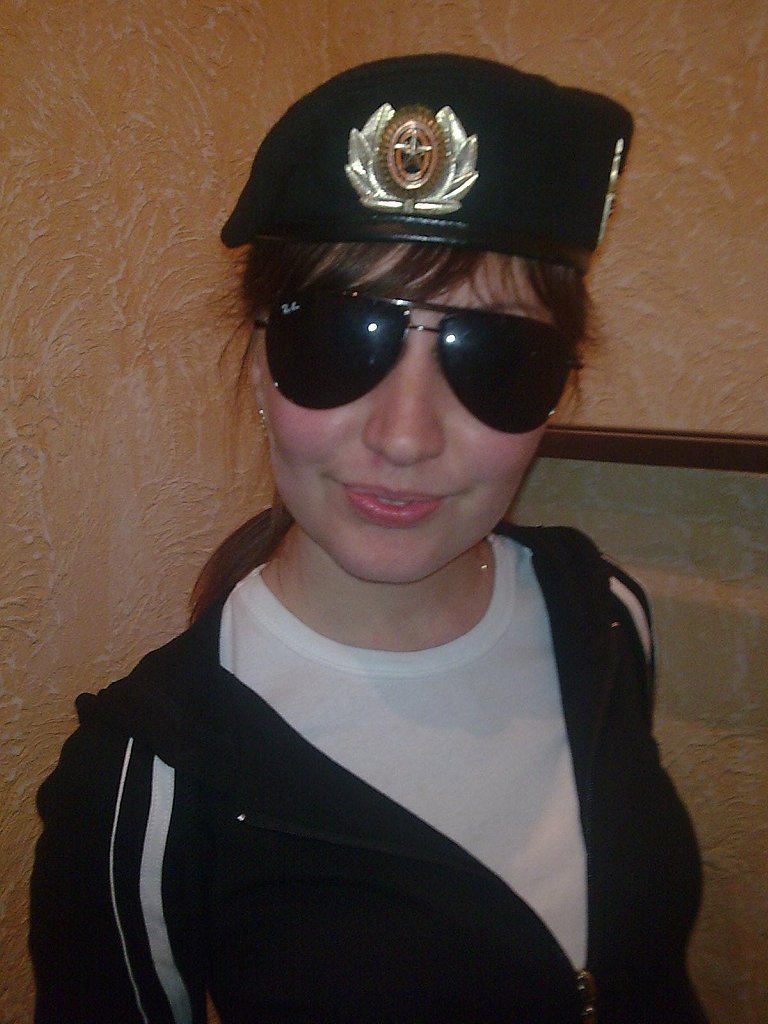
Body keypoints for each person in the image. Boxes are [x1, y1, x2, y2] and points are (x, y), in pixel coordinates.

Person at [29, 54, 707, 1023]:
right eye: (340, 339)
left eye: (496, 354)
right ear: (259, 365)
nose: (405, 436)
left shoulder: (604, 617)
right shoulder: (147, 781)